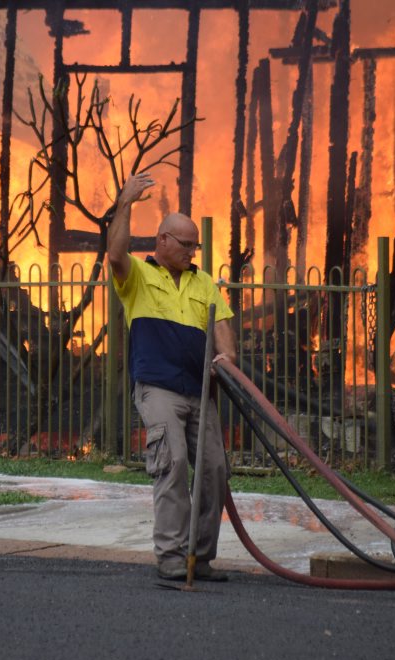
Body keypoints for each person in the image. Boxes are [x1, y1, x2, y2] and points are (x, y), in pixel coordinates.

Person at [107, 171, 237, 582]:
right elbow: (114, 256)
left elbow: (221, 324)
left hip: (200, 390)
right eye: (185, 245)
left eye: (195, 246)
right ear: (162, 240)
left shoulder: (204, 283)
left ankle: (199, 556)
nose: (191, 252)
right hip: (159, 389)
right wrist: (124, 203)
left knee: (215, 469)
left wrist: (227, 354)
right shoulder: (139, 277)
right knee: (174, 461)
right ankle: (170, 555)